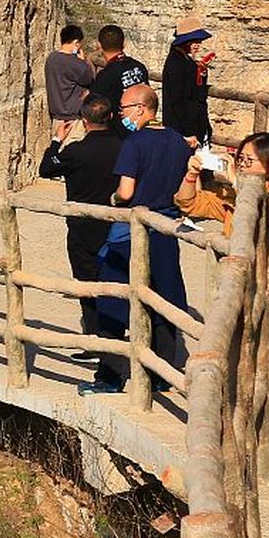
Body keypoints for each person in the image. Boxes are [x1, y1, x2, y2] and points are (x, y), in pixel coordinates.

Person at [175, 131, 269, 419]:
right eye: (240, 158)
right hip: (245, 293)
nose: (243, 164)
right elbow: (189, 204)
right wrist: (190, 175)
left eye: (249, 160)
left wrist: (237, 181)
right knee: (244, 367)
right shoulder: (231, 195)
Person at [93, 85, 193, 388]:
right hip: (167, 227)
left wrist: (112, 198)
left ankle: (110, 376)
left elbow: (126, 192)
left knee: (112, 298)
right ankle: (161, 373)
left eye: (123, 108)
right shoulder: (177, 141)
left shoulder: (134, 143)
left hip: (132, 230)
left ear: (140, 108)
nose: (121, 114)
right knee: (164, 295)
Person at [40, 95, 126, 387]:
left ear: (85, 121)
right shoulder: (123, 148)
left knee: (87, 285)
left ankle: (95, 340)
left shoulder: (76, 151)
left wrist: (56, 140)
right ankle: (109, 338)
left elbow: (46, 168)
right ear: (112, 117)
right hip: (116, 226)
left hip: (82, 228)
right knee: (115, 284)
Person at [161, 16, 214, 146]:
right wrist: (189, 132)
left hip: (192, 125)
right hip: (183, 130)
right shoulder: (176, 62)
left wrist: (201, 72)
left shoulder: (185, 60)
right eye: (194, 41)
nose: (198, 45)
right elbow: (177, 100)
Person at [87, 24, 149, 117]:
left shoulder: (105, 76)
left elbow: (94, 108)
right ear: (124, 44)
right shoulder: (139, 67)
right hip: (142, 122)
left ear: (99, 45)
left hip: (118, 128)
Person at [46, 25, 96, 124]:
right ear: (76, 42)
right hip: (74, 115)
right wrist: (83, 61)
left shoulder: (51, 58)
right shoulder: (75, 63)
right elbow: (89, 79)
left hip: (57, 115)